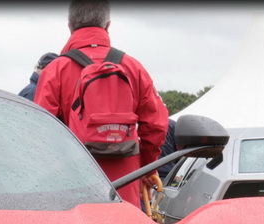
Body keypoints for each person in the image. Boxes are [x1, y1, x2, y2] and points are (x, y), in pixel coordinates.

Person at [34, 0, 168, 208]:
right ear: (108, 25)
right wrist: (146, 168)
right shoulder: (133, 68)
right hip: (124, 190)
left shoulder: (55, 70)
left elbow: (40, 133)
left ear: (70, 26)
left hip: (72, 190)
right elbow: (156, 126)